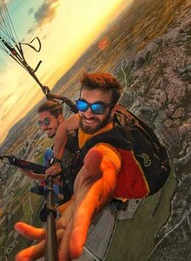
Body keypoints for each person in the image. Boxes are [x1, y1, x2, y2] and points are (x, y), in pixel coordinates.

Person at [14, 72, 145, 260]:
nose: (88, 114)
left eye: (98, 107)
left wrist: (89, 196)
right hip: (66, 170)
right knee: (50, 155)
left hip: (96, 185)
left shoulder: (109, 144)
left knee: (49, 156)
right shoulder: (84, 118)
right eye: (83, 105)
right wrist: (57, 161)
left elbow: (105, 170)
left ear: (112, 110)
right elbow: (63, 128)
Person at [19, 100, 78, 199]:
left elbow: (58, 181)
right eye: (40, 123)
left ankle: (44, 186)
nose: (43, 127)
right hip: (66, 165)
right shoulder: (69, 129)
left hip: (64, 188)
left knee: (51, 190)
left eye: (46, 121)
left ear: (59, 118)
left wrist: (32, 175)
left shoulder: (64, 149)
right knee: (47, 151)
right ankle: (42, 182)